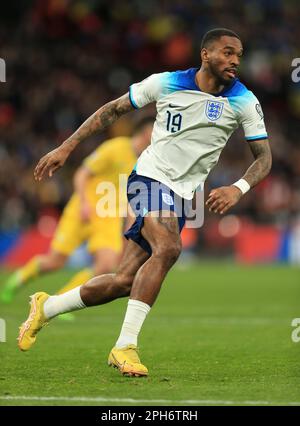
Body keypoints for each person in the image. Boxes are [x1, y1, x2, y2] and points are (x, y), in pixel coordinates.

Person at [18, 28, 272, 377]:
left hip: (184, 196)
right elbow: (112, 111)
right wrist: (67, 147)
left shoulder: (244, 101)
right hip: (149, 178)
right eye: (227, 53)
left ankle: (47, 307)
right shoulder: (165, 82)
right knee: (168, 248)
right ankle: (124, 347)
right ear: (205, 54)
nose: (234, 61)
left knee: (124, 281)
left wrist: (238, 187)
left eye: (239, 56)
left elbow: (264, 158)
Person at [1, 117, 152, 305]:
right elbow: (82, 173)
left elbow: (131, 196)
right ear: (147, 132)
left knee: (105, 266)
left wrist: (131, 225)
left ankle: (58, 300)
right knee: (55, 262)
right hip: (83, 210)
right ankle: (18, 279)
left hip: (108, 218)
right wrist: (84, 202)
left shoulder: (145, 162)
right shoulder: (116, 147)